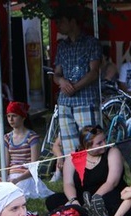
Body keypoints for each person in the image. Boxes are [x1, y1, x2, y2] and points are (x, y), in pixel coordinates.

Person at [45, 125, 129, 216]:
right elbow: (68, 183)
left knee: (112, 200)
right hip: (82, 198)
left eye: (104, 140)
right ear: (87, 145)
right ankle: (86, 213)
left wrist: (93, 200)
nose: (105, 144)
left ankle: (82, 214)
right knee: (53, 200)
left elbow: (112, 182)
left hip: (105, 195)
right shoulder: (73, 158)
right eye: (99, 143)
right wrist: (73, 200)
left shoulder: (112, 152)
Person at [52, 5, 102, 155]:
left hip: (86, 101)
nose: (58, 25)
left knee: (92, 144)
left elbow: (94, 72)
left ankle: (94, 175)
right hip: (65, 103)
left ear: (72, 21)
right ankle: (74, 176)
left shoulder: (91, 42)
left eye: (61, 21)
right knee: (70, 149)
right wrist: (61, 82)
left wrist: (74, 86)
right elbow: (56, 74)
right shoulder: (62, 46)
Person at [4, 101, 53, 199]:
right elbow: (5, 164)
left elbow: (34, 166)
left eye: (14, 116)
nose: (11, 119)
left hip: (25, 176)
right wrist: (4, 178)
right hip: (11, 176)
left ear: (23, 117)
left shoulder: (32, 137)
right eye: (8, 116)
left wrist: (17, 179)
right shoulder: (7, 138)